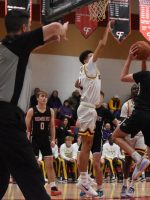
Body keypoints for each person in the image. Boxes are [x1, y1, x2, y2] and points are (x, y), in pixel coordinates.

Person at [0, 10, 68, 199]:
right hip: (7, 119)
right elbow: (53, 27)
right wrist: (60, 29)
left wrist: (53, 39)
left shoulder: (6, 48)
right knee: (31, 176)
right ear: (23, 28)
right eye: (28, 28)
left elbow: (31, 47)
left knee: (1, 177)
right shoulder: (17, 45)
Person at [112, 46, 150, 200]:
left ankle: (138, 159)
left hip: (141, 113)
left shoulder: (146, 76)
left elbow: (123, 77)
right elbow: (146, 79)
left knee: (116, 136)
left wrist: (130, 58)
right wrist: (144, 61)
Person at [75, 21, 111, 198]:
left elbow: (79, 86)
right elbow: (102, 45)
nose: (94, 57)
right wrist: (107, 30)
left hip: (89, 109)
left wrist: (80, 87)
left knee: (87, 145)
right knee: (86, 145)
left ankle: (83, 180)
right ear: (86, 60)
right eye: (90, 55)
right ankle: (83, 180)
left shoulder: (87, 71)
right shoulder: (89, 66)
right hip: (87, 109)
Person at [79, 90, 119, 198]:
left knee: (96, 164)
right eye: (97, 97)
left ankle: (100, 188)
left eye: (100, 98)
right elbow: (78, 123)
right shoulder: (88, 108)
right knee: (83, 163)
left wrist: (121, 129)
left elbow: (116, 122)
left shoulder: (104, 111)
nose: (98, 100)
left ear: (102, 99)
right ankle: (84, 185)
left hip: (97, 139)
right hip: (86, 138)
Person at [26, 91, 62, 196]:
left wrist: (53, 139)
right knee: (34, 164)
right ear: (37, 98)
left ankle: (53, 188)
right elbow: (27, 127)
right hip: (34, 139)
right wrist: (27, 139)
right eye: (42, 96)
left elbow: (52, 126)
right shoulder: (32, 110)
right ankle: (34, 186)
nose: (44, 98)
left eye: (46, 97)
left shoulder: (50, 110)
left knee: (49, 164)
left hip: (45, 139)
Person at [119, 84, 147, 198]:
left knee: (139, 161)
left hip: (141, 135)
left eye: (137, 89)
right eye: (133, 89)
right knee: (128, 160)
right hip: (129, 135)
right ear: (131, 91)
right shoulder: (127, 104)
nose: (135, 90)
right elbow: (122, 121)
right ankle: (124, 183)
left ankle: (132, 185)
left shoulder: (145, 104)